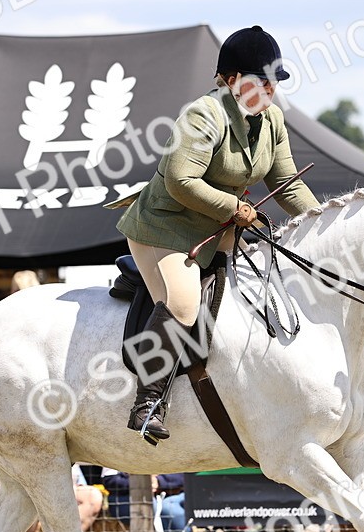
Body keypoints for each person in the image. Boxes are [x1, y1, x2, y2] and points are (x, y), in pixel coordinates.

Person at [114, 25, 320, 441]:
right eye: (260, 82)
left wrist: (325, 223)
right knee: (186, 305)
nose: (270, 91)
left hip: (216, 229)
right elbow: (181, 181)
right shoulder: (202, 116)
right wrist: (235, 207)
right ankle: (147, 403)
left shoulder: (272, 119)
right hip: (164, 227)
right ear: (230, 81)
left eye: (273, 82)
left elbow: (288, 185)